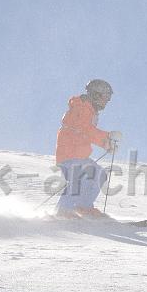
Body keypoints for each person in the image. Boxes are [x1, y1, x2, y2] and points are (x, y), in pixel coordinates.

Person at [54, 79, 122, 219]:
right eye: (105, 97)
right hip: (69, 155)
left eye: (108, 98)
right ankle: (64, 209)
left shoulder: (89, 110)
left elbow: (87, 133)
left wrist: (107, 144)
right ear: (96, 94)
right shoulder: (81, 107)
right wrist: (107, 137)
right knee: (83, 176)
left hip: (79, 155)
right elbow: (85, 129)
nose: (107, 101)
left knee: (99, 174)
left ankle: (83, 207)